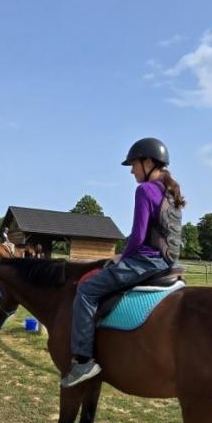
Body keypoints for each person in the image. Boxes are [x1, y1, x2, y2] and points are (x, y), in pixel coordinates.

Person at [61, 138, 185, 388]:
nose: (131, 171)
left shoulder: (145, 190)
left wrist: (121, 256)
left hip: (146, 261)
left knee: (86, 291)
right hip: (167, 262)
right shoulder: (170, 192)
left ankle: (84, 361)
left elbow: (138, 236)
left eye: (134, 165)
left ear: (148, 162)